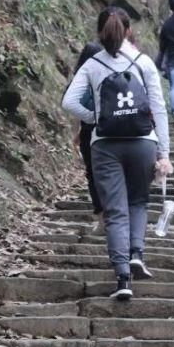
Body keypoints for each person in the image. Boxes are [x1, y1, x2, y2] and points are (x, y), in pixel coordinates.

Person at [62, 7, 173, 301]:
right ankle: (136, 252)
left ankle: (123, 277)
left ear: (101, 32)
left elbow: (69, 101)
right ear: (128, 31)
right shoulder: (144, 61)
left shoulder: (93, 63)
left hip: (105, 144)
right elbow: (158, 108)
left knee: (114, 211)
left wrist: (94, 118)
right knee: (138, 201)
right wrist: (164, 152)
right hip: (142, 142)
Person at [71, 14, 108, 231]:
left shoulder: (82, 74)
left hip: (89, 128)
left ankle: (102, 216)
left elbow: (76, 102)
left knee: (92, 172)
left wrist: (80, 128)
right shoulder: (112, 69)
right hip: (110, 128)